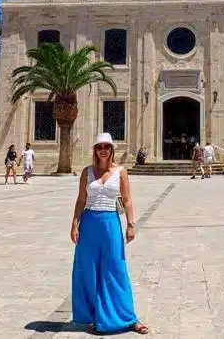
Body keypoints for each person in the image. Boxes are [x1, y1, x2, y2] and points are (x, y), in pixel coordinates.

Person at [71, 133, 149, 335]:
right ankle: (98, 316)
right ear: (95, 150)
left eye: (107, 146)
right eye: (99, 147)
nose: (103, 150)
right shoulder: (87, 172)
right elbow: (81, 200)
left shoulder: (120, 172)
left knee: (116, 269)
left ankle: (129, 317)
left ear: (112, 150)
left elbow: (127, 200)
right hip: (89, 223)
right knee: (89, 269)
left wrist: (131, 225)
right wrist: (74, 224)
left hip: (110, 223)